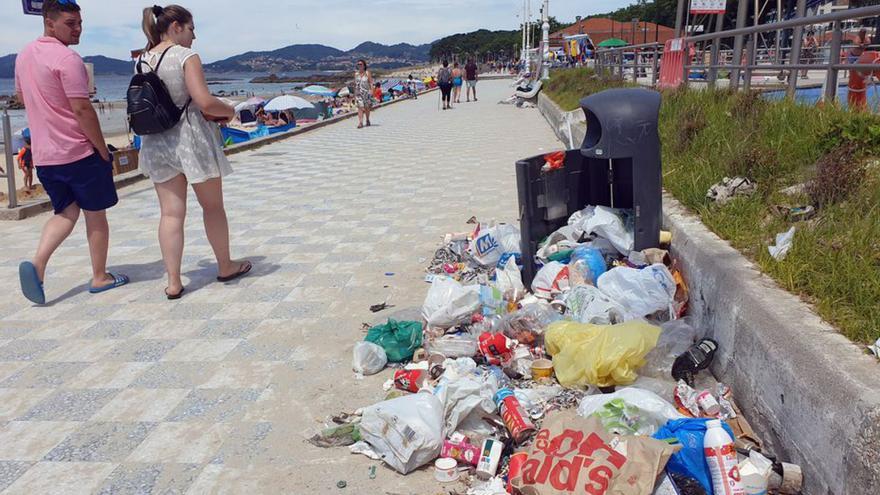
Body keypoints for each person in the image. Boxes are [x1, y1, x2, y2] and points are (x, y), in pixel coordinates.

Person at [14, 0, 129, 305]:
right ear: (49, 23)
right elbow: (82, 109)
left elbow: (22, 97)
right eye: (70, 23)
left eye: (80, 23)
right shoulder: (68, 59)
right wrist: (102, 150)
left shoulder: (24, 56)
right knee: (95, 214)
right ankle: (100, 276)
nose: (78, 29)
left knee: (65, 212)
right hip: (78, 152)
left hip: (45, 155)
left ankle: (37, 264)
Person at [139, 4, 251, 299]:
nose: (194, 36)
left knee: (171, 214)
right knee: (213, 207)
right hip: (191, 141)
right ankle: (225, 265)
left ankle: (173, 282)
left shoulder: (141, 60)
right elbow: (204, 101)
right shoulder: (185, 56)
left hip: (156, 142)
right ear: (175, 26)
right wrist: (228, 111)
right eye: (191, 29)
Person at [354, 59, 373, 128]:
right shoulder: (356, 74)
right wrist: (354, 94)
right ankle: (360, 122)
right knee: (360, 107)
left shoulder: (367, 73)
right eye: (358, 64)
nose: (359, 65)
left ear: (364, 65)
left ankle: (367, 119)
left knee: (367, 108)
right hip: (359, 93)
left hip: (366, 93)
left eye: (361, 64)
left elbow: (371, 82)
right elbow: (355, 84)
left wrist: (371, 91)